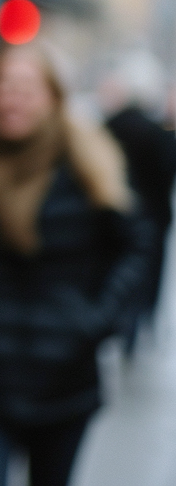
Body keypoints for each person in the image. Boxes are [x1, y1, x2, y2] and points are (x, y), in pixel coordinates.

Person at [0, 42, 150, 486]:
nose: (12, 98)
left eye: (26, 87)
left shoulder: (89, 163)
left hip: (66, 378)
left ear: (52, 96)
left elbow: (135, 244)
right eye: (2, 86)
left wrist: (97, 319)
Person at [100, 49, 175, 339]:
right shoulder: (158, 133)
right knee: (149, 273)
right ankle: (141, 322)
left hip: (119, 211)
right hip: (154, 215)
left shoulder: (110, 126)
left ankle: (124, 321)